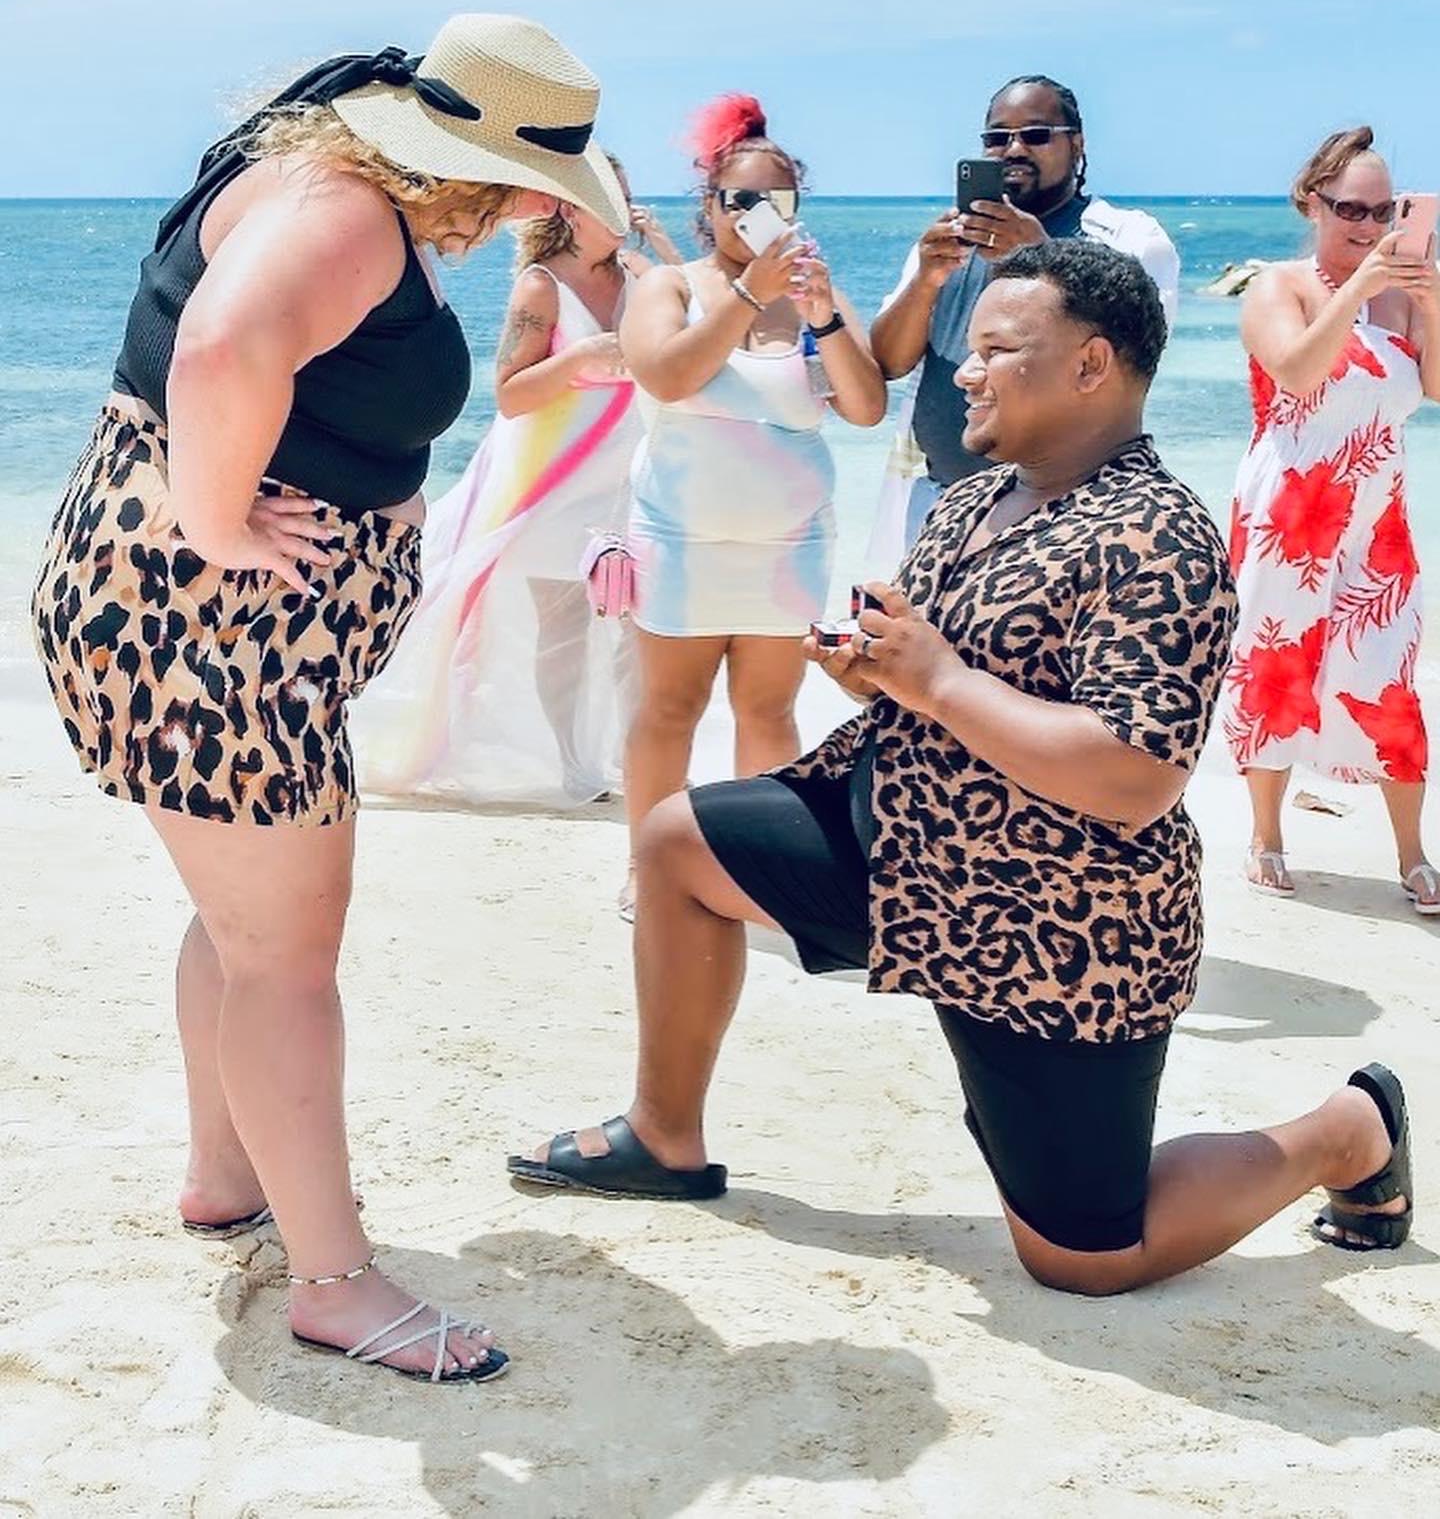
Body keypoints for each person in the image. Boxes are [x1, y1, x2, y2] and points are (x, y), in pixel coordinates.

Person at [511, 240, 1414, 1284]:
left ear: (1090, 365)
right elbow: (938, 674)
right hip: (902, 837)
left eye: (996, 349)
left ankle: (1347, 1130)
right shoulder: (975, 499)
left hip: (1054, 921)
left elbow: (1135, 774)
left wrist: (935, 679)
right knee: (677, 842)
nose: (967, 372)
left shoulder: (1158, 534)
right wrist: (879, 668)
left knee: (1086, 1257)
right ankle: (663, 1134)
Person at [31, 14, 631, 1383]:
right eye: (533, 184)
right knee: (288, 961)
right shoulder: (350, 216)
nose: (534, 212)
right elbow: (218, 352)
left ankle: (222, 1172)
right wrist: (219, 521)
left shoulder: (327, 166)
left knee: (245, 923)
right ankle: (336, 1282)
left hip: (201, 626)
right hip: (213, 630)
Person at [617, 94, 887, 912]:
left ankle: (756, 872)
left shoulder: (813, 297)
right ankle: (650, 865)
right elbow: (666, 375)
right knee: (670, 708)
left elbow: (866, 407)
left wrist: (824, 317)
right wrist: (745, 293)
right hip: (680, 540)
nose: (756, 213)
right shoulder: (671, 286)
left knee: (768, 710)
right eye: (739, 198)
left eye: (776, 198)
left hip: (788, 547)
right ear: (709, 205)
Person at [358, 153, 645, 806]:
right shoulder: (542, 287)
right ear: (570, 207)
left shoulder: (637, 275)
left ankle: (637, 755)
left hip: (625, 475)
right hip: (550, 482)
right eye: (608, 199)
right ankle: (577, 767)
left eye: (626, 197)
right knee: (566, 627)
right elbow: (511, 394)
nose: (623, 211)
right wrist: (582, 355)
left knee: (638, 624)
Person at [1222, 126, 1440, 907]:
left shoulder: (1402, 294)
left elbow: (1436, 388)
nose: (1368, 225)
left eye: (1384, 211)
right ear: (1313, 204)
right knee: (1277, 668)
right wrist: (1357, 288)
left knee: (1386, 678)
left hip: (1377, 521)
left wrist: (1429, 299)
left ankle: (1414, 852)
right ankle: (1265, 835)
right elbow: (1296, 367)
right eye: (1351, 208)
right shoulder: (1276, 287)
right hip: (1290, 517)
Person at [869, 75, 1180, 559]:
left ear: (1077, 144)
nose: (1014, 150)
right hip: (940, 502)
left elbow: (1130, 360)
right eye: (997, 138)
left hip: (1071, 512)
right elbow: (888, 362)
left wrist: (1042, 255)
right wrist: (926, 279)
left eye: (1035, 135)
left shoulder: (1130, 238)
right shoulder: (950, 239)